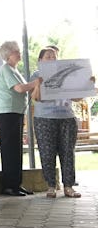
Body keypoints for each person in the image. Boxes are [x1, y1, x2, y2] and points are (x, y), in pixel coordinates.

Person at [31, 46, 86, 199]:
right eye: (48, 56)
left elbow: (76, 98)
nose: (51, 58)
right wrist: (38, 83)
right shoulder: (36, 75)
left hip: (67, 118)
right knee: (47, 153)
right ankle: (51, 186)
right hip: (44, 119)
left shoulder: (67, 75)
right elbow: (35, 98)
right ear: (40, 60)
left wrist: (86, 86)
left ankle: (69, 187)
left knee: (68, 153)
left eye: (54, 56)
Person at [0, 40, 40, 196]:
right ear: (8, 55)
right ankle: (9, 185)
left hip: (15, 112)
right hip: (7, 113)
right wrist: (36, 82)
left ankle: (16, 183)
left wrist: (33, 84)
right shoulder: (6, 69)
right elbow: (20, 88)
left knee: (16, 149)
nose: (19, 53)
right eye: (16, 51)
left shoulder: (14, 70)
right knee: (9, 150)